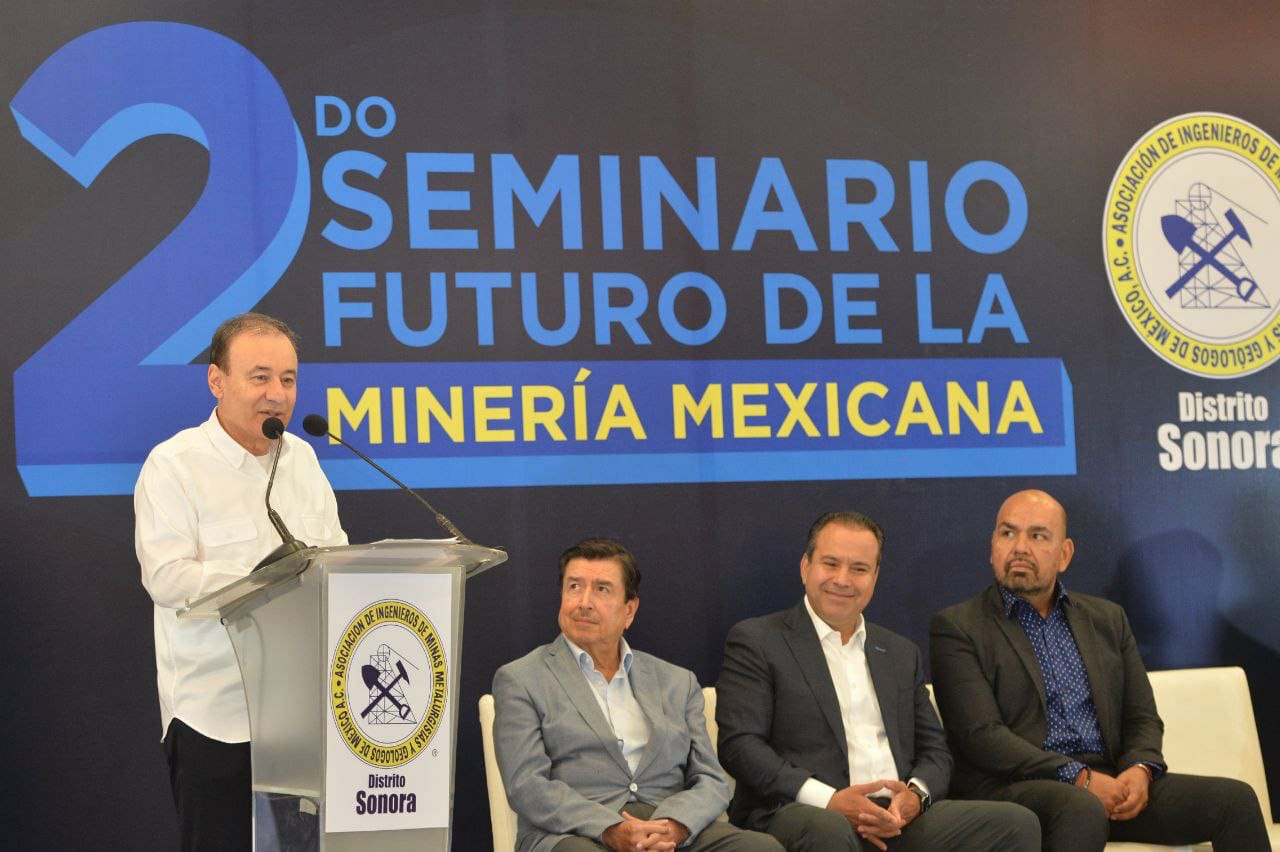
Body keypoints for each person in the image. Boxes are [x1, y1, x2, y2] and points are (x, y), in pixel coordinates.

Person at [929, 488, 1269, 851]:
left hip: (1109, 780)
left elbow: (1141, 717)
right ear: (993, 546)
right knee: (1081, 807)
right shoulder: (959, 626)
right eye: (1008, 533)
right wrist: (1079, 777)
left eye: (1038, 536)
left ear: (1064, 554)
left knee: (1234, 801)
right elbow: (981, 736)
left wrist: (1140, 769)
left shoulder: (1107, 619)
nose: (1020, 547)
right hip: (1018, 788)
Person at [135, 312, 347, 851]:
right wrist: (264, 580)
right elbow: (166, 576)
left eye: (288, 379)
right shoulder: (175, 464)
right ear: (217, 380)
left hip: (302, 715)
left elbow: (336, 559)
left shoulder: (302, 460)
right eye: (260, 377)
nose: (277, 394)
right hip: (215, 714)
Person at [716, 512, 1040, 851]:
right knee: (828, 830)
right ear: (805, 567)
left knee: (1015, 824)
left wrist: (915, 796)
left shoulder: (900, 653)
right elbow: (740, 745)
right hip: (803, 812)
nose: (843, 579)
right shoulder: (758, 641)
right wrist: (830, 800)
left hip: (896, 819)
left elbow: (935, 750)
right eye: (831, 564)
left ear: (874, 577)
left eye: (859, 569)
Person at [492, 538, 782, 852]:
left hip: (669, 828)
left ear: (629, 610)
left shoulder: (677, 682)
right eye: (574, 587)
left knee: (762, 848)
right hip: (576, 834)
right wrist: (610, 829)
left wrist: (674, 826)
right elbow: (527, 786)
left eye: (602, 589)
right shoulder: (522, 679)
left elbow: (711, 780)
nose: (584, 602)